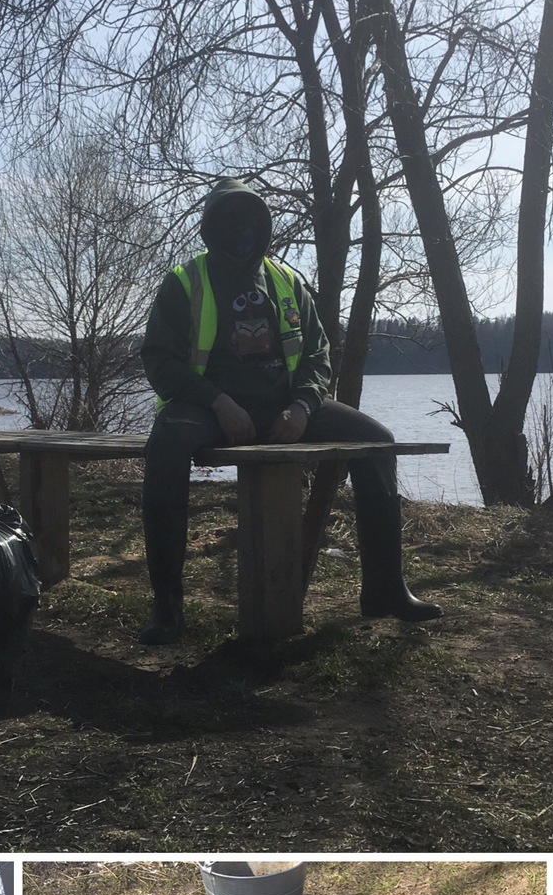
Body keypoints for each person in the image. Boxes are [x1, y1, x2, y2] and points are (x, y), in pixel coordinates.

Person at [138, 177, 442, 644]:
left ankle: (384, 588)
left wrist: (301, 406)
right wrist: (217, 402)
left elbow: (319, 357)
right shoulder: (185, 283)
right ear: (210, 228)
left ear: (264, 227)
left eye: (251, 221)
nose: (242, 230)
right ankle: (167, 606)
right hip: (207, 411)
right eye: (230, 221)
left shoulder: (287, 281)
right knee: (166, 444)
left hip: (284, 410)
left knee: (378, 441)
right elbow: (160, 361)